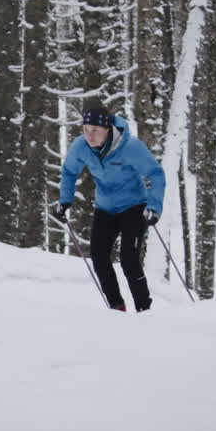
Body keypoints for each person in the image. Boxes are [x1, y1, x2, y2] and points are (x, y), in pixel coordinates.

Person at [51, 107, 165, 312]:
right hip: (105, 208)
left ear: (107, 128)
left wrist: (154, 206)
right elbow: (69, 171)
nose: (89, 135)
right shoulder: (81, 147)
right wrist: (64, 200)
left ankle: (144, 310)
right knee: (99, 257)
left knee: (129, 260)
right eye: (85, 129)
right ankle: (117, 309)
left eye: (95, 130)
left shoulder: (130, 147)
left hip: (134, 206)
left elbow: (156, 174)